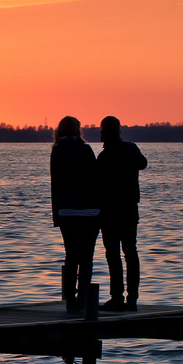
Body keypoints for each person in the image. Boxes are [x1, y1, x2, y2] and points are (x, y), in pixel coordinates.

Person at [96, 115, 148, 311]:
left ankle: (117, 297)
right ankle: (132, 298)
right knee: (130, 253)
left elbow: (97, 184)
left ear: (104, 132)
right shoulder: (131, 149)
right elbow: (143, 164)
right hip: (129, 210)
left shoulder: (104, 156)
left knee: (113, 255)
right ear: (118, 130)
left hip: (109, 211)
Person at [49, 115, 100, 310]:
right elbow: (96, 180)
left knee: (71, 256)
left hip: (67, 211)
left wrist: (57, 216)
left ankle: (70, 301)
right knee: (87, 257)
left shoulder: (57, 151)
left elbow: (56, 185)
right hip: (90, 210)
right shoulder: (86, 150)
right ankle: (84, 299)